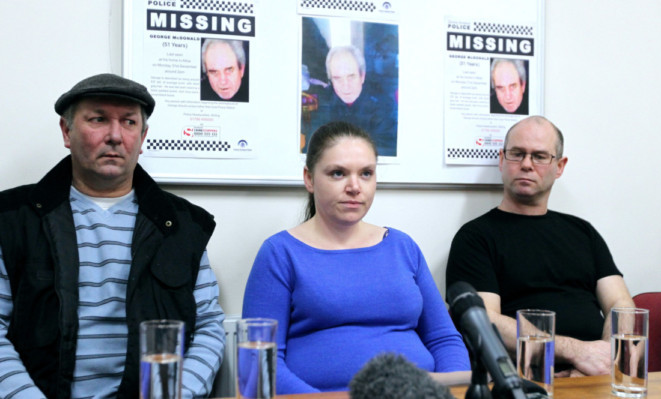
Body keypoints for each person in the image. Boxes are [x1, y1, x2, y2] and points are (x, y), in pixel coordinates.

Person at [0, 73, 226, 398]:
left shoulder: (180, 225)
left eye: (129, 123)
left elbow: (208, 325)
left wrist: (179, 393)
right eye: (98, 119)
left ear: (143, 135)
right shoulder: (12, 220)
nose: (115, 136)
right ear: (67, 131)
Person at [243, 121, 470, 394]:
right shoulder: (280, 253)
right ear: (309, 178)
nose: (354, 186)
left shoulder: (402, 247)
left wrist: (448, 392)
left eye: (366, 173)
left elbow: (444, 339)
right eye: (338, 173)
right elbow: (260, 365)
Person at [446, 116, 634, 377]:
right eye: (517, 154)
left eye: (540, 156)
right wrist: (578, 353)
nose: (526, 164)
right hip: (532, 377)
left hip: (599, 373)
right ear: (502, 160)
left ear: (559, 166)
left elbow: (620, 302)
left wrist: (606, 357)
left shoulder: (582, 232)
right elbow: (484, 322)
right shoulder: (475, 237)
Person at [305, 45, 398, 157]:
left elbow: (385, 153)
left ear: (362, 76)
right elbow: (311, 148)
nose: (345, 86)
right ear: (331, 80)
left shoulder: (384, 106)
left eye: (351, 77)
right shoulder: (324, 101)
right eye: (337, 78)